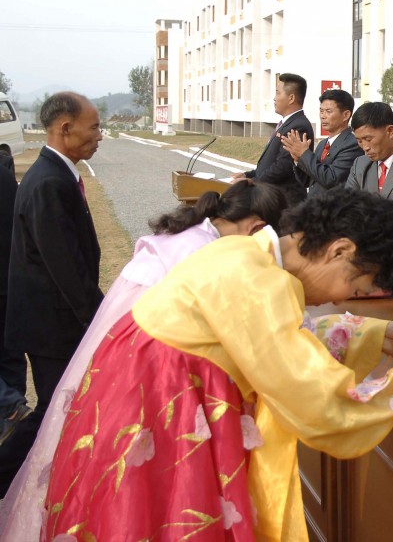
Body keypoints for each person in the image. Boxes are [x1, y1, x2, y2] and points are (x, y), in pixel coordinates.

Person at [36, 187, 393, 540]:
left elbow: (265, 336)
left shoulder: (245, 254)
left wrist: (369, 332)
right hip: (164, 416)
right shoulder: (261, 283)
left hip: (137, 396)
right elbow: (321, 402)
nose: (341, 294)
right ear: (339, 250)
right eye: (354, 281)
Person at [0, 180, 288, 540]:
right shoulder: (202, 253)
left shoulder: (191, 235)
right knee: (142, 478)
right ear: (256, 228)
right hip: (149, 371)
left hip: (119, 357)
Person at [1, 92, 103, 493]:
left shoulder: (57, 174)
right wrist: (101, 320)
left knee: (54, 411)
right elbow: (67, 271)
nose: (100, 135)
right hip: (52, 327)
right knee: (50, 413)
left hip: (53, 322)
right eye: (93, 126)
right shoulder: (48, 182)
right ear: (65, 128)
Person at [233, 72, 313, 204]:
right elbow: (269, 163)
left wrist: (253, 182)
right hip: (274, 197)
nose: (274, 98)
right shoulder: (287, 123)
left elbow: (282, 166)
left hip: (285, 201)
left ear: (291, 98)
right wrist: (247, 175)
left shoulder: (298, 126)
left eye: (278, 93)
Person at [283, 88, 363, 198]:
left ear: (346, 115)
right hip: (314, 208)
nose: (323, 116)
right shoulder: (322, 144)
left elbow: (331, 179)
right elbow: (308, 181)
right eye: (321, 111)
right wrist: (298, 160)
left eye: (328, 111)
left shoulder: (352, 144)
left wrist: (304, 154)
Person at [0, 160, 29, 445]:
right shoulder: (6, 175)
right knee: (10, 354)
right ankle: (16, 422)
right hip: (10, 279)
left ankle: (10, 407)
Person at [345, 101, 393, 208]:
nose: (365, 147)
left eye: (368, 139)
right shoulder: (360, 165)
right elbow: (348, 205)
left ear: (390, 131)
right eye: (359, 141)